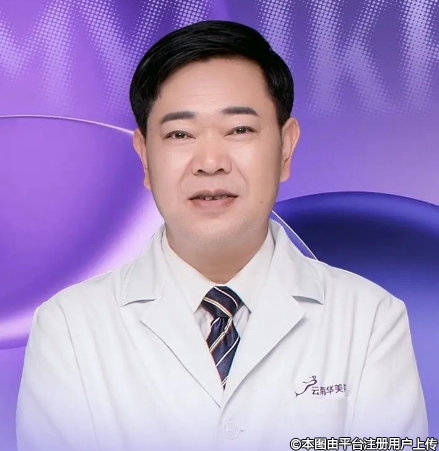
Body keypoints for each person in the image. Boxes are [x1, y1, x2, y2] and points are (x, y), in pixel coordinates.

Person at [16, 20, 428, 451]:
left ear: (286, 148)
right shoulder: (70, 327)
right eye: (179, 134)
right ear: (145, 156)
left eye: (239, 130)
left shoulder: (369, 319)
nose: (210, 162)